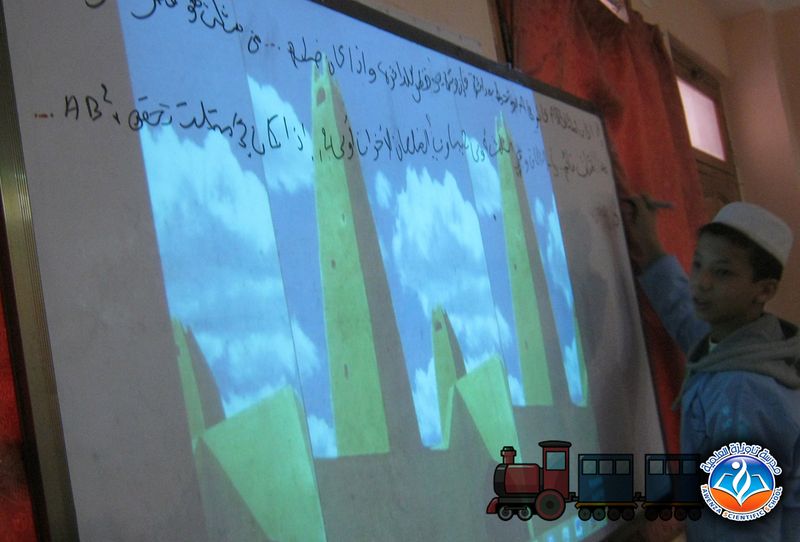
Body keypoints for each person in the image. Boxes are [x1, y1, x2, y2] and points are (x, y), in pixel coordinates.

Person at [624, 196, 800, 540]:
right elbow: (684, 314)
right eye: (698, 264)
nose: (702, 283)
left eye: (722, 272)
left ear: (764, 290)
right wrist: (650, 244)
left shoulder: (742, 393)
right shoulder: (748, 345)